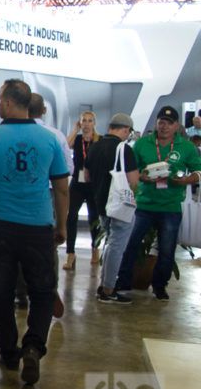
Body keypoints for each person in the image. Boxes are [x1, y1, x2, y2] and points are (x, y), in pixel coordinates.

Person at [0, 79, 69, 386]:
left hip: (3, 226)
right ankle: (34, 345)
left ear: (9, 104)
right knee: (41, 291)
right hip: (38, 226)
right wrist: (61, 225)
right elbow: (61, 189)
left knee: (0, 291)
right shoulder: (49, 139)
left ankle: (9, 352)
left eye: (0, 101)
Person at [114, 106, 201, 300]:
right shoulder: (143, 143)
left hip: (170, 207)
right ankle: (123, 282)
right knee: (131, 244)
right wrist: (143, 178)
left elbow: (199, 171)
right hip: (143, 205)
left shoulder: (186, 147)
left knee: (167, 249)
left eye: (169, 123)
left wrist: (187, 180)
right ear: (157, 123)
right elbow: (131, 171)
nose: (164, 126)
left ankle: (160, 286)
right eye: (161, 122)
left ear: (176, 126)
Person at [13, 94, 73, 317]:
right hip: (49, 194)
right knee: (49, 245)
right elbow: (68, 170)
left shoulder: (11, 134)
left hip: (20, 195)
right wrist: (63, 223)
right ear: (44, 110)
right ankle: (50, 289)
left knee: (18, 243)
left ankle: (20, 294)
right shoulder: (55, 136)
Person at [84, 113, 138, 304]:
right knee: (117, 246)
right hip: (119, 205)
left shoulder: (95, 146)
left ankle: (104, 285)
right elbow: (133, 181)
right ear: (125, 129)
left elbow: (87, 176)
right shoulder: (123, 149)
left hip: (100, 203)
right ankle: (108, 289)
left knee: (110, 242)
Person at [64, 110, 102, 270]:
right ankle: (71, 253)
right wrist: (75, 130)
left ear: (94, 123)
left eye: (89, 121)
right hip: (78, 183)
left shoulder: (99, 140)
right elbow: (65, 146)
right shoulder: (78, 139)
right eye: (84, 121)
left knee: (94, 217)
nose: (86, 124)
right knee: (71, 216)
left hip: (93, 183)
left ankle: (95, 248)